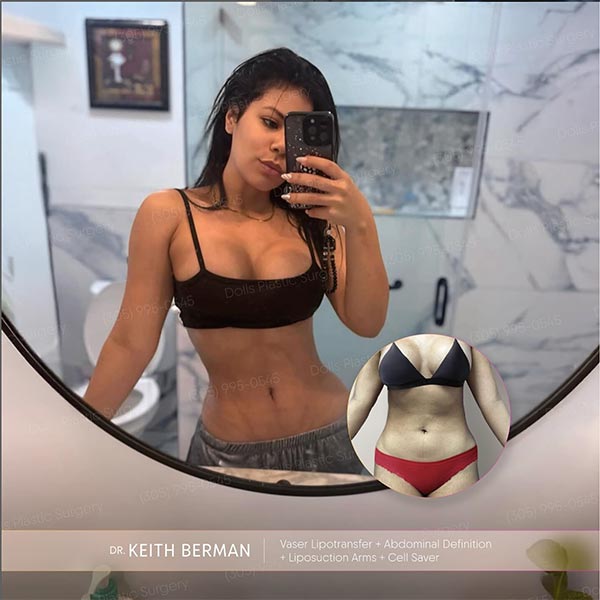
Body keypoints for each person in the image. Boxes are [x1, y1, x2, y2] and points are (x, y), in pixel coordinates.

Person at [83, 48, 389, 474]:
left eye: (292, 132)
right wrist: (81, 439)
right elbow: (130, 343)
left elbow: (367, 322)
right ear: (232, 118)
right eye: (269, 122)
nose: (279, 145)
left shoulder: (315, 221)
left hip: (333, 435)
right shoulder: (168, 215)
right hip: (228, 455)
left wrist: (361, 224)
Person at [347, 334, 510, 495]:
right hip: (393, 462)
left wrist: (516, 450)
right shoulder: (380, 338)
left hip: (457, 463)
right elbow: (359, 401)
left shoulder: (468, 334)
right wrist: (334, 454)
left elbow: (492, 402)